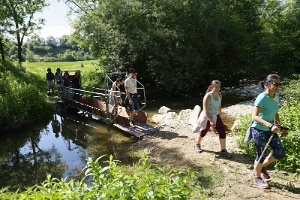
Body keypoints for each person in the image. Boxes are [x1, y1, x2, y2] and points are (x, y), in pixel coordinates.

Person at [250, 74, 288, 189]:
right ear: (267, 84)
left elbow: (275, 111)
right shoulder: (262, 97)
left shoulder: (276, 96)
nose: (278, 86)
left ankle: (261, 167)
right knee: (262, 154)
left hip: (270, 129)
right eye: (275, 84)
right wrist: (270, 125)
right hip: (258, 129)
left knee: (280, 152)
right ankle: (257, 178)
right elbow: (254, 117)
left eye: (279, 84)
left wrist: (279, 125)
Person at [195, 80, 233, 158]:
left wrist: (220, 116)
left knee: (222, 131)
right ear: (212, 86)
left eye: (219, 87)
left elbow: (219, 106)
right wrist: (211, 121)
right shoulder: (208, 96)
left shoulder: (219, 94)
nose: (218, 89)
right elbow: (205, 110)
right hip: (207, 115)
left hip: (216, 115)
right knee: (204, 131)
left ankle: (223, 150)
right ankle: (198, 144)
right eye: (216, 87)